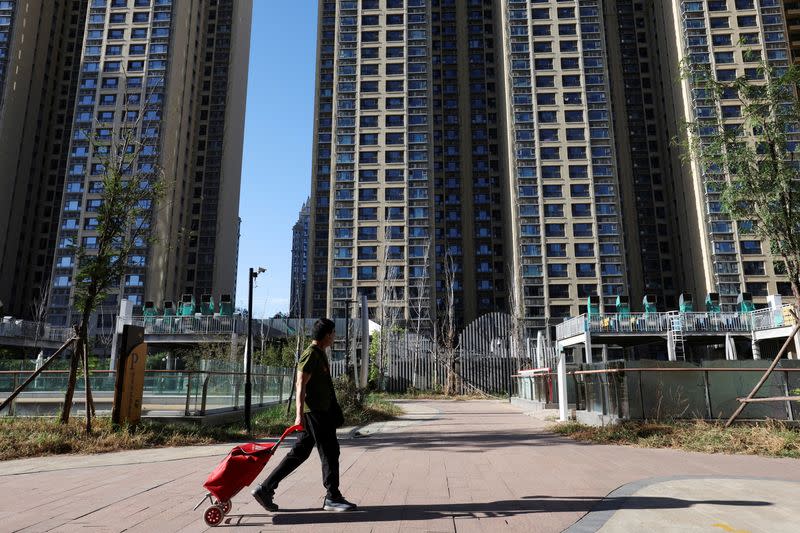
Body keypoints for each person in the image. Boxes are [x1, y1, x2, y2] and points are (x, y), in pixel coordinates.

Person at [252, 318, 357, 512]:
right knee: (330, 452)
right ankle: (332, 497)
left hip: (319, 412)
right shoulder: (311, 354)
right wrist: (298, 415)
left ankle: (265, 488)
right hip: (315, 413)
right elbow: (300, 383)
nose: (334, 337)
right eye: (333, 333)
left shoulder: (319, 353)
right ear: (327, 335)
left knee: (300, 452)